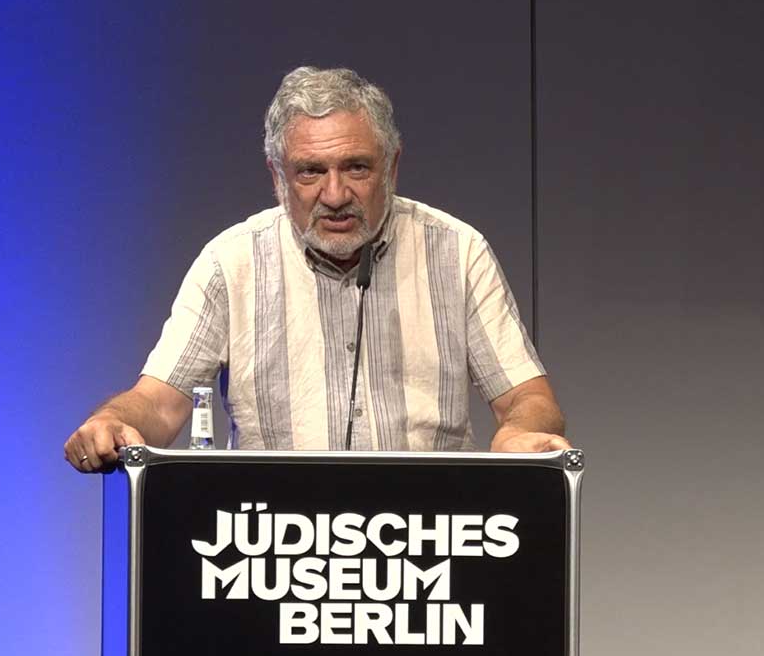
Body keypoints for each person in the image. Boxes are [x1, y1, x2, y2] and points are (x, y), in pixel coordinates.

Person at [64, 67, 569, 472]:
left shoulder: (457, 253)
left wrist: (519, 434)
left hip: (430, 543)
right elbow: (158, 403)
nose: (334, 195)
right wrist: (112, 420)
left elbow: (527, 398)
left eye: (356, 167)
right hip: (276, 552)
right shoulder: (231, 262)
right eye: (310, 171)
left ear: (391, 168)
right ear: (278, 178)